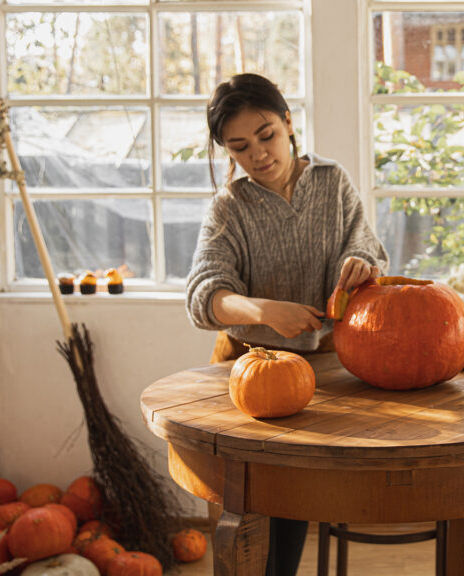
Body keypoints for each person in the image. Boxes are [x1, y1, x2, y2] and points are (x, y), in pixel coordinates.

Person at [185, 73, 390, 575]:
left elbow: (366, 246)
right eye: (239, 146)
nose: (258, 154)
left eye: (267, 135)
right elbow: (202, 297)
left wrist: (360, 263)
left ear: (289, 123)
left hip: (324, 368)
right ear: (226, 152)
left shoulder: (332, 181)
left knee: (292, 498)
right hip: (246, 371)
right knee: (249, 506)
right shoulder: (228, 208)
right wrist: (263, 311)